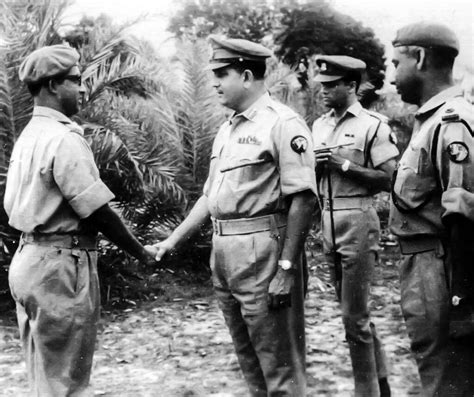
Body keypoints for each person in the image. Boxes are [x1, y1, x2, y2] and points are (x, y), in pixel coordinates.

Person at [149, 36, 317, 396]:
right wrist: (173, 240)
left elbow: (304, 199)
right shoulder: (228, 129)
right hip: (225, 252)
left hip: (264, 253)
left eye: (221, 74)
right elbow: (211, 196)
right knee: (249, 361)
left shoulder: (283, 124)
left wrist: (286, 270)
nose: (213, 82)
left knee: (280, 367)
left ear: (245, 75)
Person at [4, 44, 157, 396]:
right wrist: (141, 252)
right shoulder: (64, 138)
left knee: (45, 379)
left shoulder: (29, 136)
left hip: (30, 260)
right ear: (53, 86)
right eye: (76, 80)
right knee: (67, 384)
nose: (84, 88)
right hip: (60, 267)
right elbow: (97, 210)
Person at [390, 22, 474, 396]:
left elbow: (464, 216)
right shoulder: (432, 121)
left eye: (396, 63)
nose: (393, 77)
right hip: (425, 268)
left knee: (446, 379)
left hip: (440, 271)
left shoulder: (451, 123)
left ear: (420, 58)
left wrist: (461, 304)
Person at [312, 55, 398, 397]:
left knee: (354, 319)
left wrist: (343, 165)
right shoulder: (318, 126)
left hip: (358, 219)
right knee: (354, 315)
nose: (325, 90)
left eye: (332, 85)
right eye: (323, 85)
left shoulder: (373, 125)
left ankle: (368, 392)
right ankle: (382, 383)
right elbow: (310, 175)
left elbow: (388, 179)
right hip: (328, 219)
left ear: (352, 85)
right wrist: (317, 169)